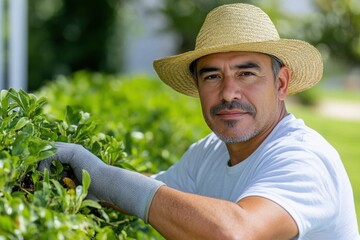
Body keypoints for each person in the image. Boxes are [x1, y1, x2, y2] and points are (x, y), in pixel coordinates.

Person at [39, 3, 359, 239]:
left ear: (281, 83)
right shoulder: (211, 152)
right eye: (212, 76)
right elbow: (156, 192)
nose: (228, 92)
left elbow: (236, 234)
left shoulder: (304, 159)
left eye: (246, 73)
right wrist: (73, 177)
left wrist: (102, 174)